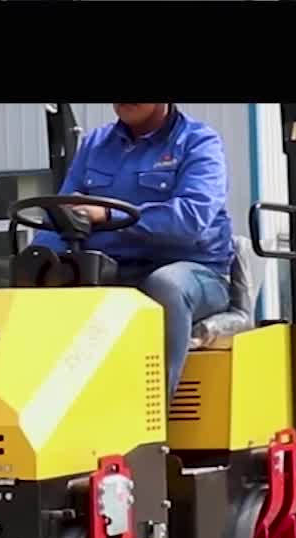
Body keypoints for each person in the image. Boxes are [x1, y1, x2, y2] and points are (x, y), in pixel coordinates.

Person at [28, 103, 235, 398]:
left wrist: (107, 215)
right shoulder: (95, 144)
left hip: (195, 273)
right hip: (112, 269)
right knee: (38, 285)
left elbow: (190, 219)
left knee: (165, 286)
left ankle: (153, 418)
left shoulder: (198, 141)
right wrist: (40, 262)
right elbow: (60, 216)